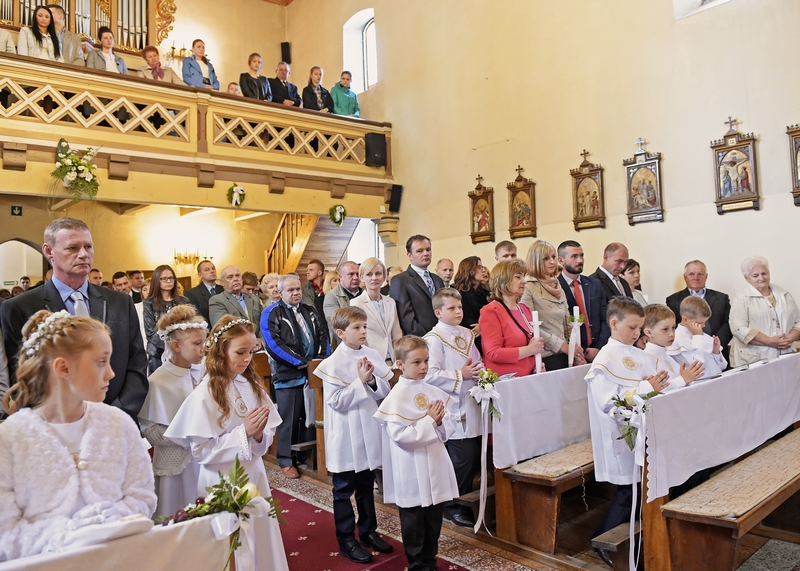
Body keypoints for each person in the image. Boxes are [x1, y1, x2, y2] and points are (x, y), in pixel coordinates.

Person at [0, 310, 156, 560]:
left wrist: (119, 515)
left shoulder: (118, 424)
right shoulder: (10, 439)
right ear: (63, 368)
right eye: (101, 361)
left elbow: (142, 496)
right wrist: (66, 533)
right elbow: (6, 532)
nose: (111, 373)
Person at [165, 316, 289, 571]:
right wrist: (244, 433)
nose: (247, 359)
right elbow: (201, 451)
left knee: (259, 536)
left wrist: (258, 436)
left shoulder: (251, 386)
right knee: (229, 546)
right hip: (221, 481)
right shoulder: (205, 394)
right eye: (240, 352)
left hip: (253, 475)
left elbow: (265, 436)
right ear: (221, 351)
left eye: (251, 352)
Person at [0, 218, 147, 423]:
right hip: (54, 423)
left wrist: (113, 414)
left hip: (117, 420)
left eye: (88, 247)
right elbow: (20, 376)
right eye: (72, 248)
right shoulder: (20, 307)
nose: (83, 254)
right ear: (49, 251)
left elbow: (137, 364)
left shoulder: (120, 302)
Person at [584, 298, 670, 565]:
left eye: (640, 328)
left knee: (642, 485)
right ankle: (602, 540)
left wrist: (655, 386)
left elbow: (654, 386)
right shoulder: (604, 360)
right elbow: (607, 402)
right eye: (632, 327)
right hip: (622, 433)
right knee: (629, 488)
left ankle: (637, 535)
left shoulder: (641, 355)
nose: (637, 333)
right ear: (614, 323)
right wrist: (646, 388)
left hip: (647, 429)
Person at [314, 307, 393, 563]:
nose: (363, 331)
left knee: (366, 485)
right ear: (340, 333)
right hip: (345, 434)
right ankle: (346, 539)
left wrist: (370, 382)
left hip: (367, 429)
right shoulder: (332, 364)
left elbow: (385, 389)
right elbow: (337, 402)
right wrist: (359, 382)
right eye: (356, 327)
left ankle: (368, 530)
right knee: (343, 489)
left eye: (364, 326)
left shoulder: (371, 354)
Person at [374, 335, 459, 571]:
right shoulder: (396, 397)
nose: (424, 367)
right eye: (417, 362)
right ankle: (417, 565)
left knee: (433, 519)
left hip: (434, 462)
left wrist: (440, 423)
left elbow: (450, 423)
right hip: (411, 466)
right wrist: (430, 421)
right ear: (400, 364)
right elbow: (401, 437)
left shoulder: (432, 390)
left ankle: (430, 562)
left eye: (426, 361)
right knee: (414, 523)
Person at [424, 289, 484, 528]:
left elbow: (477, 361)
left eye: (459, 307)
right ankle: (451, 506)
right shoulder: (433, 339)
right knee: (461, 458)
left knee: (472, 456)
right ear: (438, 312)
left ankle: (465, 502)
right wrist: (461, 374)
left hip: (470, 402)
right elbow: (429, 375)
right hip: (451, 407)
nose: (459, 311)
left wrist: (481, 373)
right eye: (452, 308)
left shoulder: (467, 333)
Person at [139, 305, 206, 517]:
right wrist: (188, 437)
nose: (203, 349)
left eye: (204, 342)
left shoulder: (204, 373)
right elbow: (150, 430)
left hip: (205, 458)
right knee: (175, 512)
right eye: (197, 343)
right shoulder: (158, 381)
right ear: (176, 345)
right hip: (175, 462)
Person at [261, 274, 328, 478]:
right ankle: (285, 459)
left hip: (313, 372)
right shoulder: (272, 312)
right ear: (280, 292)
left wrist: (319, 361)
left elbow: (323, 336)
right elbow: (274, 345)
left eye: (298, 289)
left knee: (311, 418)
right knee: (289, 419)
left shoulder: (309, 309)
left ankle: (309, 457)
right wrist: (301, 363)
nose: (296, 293)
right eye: (290, 290)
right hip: (288, 374)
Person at [521, 240, 583, 370]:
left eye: (553, 257)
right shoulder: (528, 286)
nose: (552, 262)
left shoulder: (556, 283)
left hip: (564, 352)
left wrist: (574, 346)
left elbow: (567, 321)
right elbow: (529, 325)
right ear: (535, 260)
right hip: (545, 355)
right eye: (546, 258)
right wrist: (560, 345)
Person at [729, 256, 800, 366]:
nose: (761, 278)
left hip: (785, 354)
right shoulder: (741, 297)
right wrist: (769, 341)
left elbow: (798, 321)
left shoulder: (784, 294)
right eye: (755, 275)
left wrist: (789, 339)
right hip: (753, 358)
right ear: (746, 278)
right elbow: (738, 328)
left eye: (764, 273)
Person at [478, 259, 544, 376]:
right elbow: (493, 353)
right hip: (506, 380)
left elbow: (531, 343)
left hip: (528, 376)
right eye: (518, 277)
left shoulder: (524, 309)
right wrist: (529, 350)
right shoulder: (491, 311)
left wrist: (536, 364)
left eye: (524, 276)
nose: (524, 281)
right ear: (503, 280)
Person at [665, 259, 732, 362]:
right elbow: (674, 324)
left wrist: (714, 344)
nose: (696, 277)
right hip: (689, 351)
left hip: (718, 349)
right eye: (691, 274)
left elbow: (728, 323)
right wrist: (698, 341)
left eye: (700, 274)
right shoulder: (673, 300)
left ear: (706, 276)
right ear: (685, 277)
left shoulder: (722, 298)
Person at [557, 241, 609, 363]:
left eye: (582, 255)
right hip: (570, 353)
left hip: (597, 350)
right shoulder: (556, 287)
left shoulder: (594, 284)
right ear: (561, 260)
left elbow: (605, 318)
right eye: (574, 256)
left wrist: (598, 348)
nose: (580, 260)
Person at [350, 258, 402, 365]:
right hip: (371, 361)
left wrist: (399, 358)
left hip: (393, 360)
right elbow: (359, 338)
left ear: (384, 277)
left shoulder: (390, 302)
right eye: (369, 274)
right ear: (362, 278)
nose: (374, 278)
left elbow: (396, 335)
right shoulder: (356, 303)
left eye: (378, 274)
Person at [391, 235, 444, 336]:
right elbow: (405, 319)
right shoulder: (400, 280)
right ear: (410, 255)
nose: (426, 253)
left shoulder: (437, 279)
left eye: (428, 249)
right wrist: (428, 338)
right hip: (419, 339)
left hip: (442, 336)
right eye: (419, 251)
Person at [642, 304, 704, 388]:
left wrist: (688, 377)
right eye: (665, 329)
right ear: (649, 332)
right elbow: (658, 390)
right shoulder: (647, 358)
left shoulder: (666, 355)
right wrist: (683, 379)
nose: (672, 334)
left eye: (673, 327)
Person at [143, 264, 189, 374]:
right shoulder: (149, 303)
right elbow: (150, 333)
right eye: (164, 278)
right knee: (158, 382)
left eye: (171, 278)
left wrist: (178, 347)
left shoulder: (184, 301)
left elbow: (189, 326)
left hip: (181, 350)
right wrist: (170, 346)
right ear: (156, 280)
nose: (168, 281)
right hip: (157, 353)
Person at [670, 296, 727, 377]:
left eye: (705, 322)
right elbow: (699, 367)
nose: (703, 325)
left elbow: (722, 366)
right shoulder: (676, 340)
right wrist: (698, 337)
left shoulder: (704, 336)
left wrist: (716, 352)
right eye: (699, 323)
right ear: (685, 319)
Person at [209, 266, 263, 345]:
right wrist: (251, 341)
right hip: (235, 346)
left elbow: (264, 323)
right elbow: (223, 329)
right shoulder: (217, 300)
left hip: (259, 345)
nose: (235, 279)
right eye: (230, 277)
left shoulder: (254, 298)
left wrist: (261, 340)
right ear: (222, 282)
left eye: (238, 276)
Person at [452, 256, 490, 354]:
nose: (483, 270)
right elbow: (469, 325)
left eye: (482, 267)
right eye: (479, 267)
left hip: (486, 336)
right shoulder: (461, 294)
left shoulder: (484, 291)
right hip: (470, 341)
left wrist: (483, 325)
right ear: (469, 270)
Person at [324, 261, 363, 349]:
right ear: (341, 277)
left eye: (357, 274)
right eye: (351, 274)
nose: (355, 277)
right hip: (344, 347)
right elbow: (335, 324)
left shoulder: (366, 293)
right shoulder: (332, 296)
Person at [185, 260, 223, 324]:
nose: (212, 271)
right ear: (200, 275)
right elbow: (194, 317)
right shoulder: (192, 293)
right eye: (207, 270)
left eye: (213, 268)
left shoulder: (223, 289)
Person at [301, 259, 326, 326]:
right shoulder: (305, 290)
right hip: (318, 324)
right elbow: (312, 310)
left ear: (319, 272)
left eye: (311, 270)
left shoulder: (328, 285)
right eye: (307, 270)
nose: (307, 272)